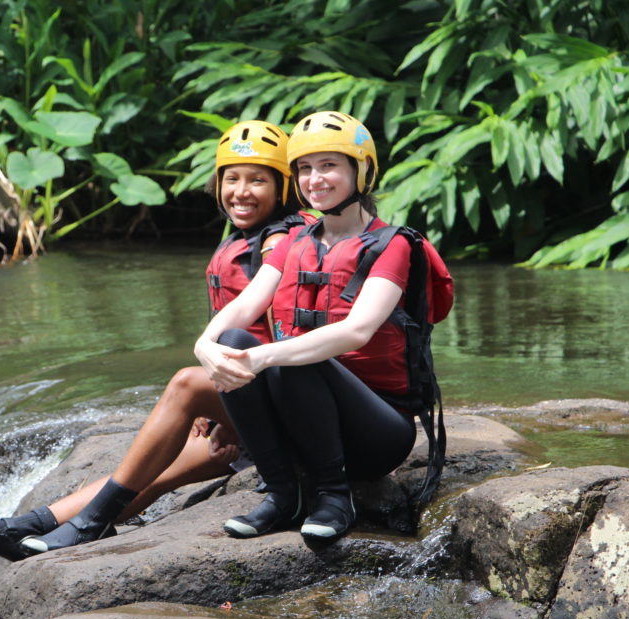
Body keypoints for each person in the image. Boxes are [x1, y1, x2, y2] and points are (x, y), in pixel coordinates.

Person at [0, 120, 313, 561]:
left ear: (283, 187)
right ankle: (31, 528)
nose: (242, 191)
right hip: (253, 402)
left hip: (289, 407)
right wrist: (217, 404)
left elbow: (280, 337)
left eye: (258, 180)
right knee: (152, 472)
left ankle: (76, 527)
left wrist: (218, 403)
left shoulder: (282, 241)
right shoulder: (244, 239)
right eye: (232, 179)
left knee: (183, 389)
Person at [193, 111, 453, 543]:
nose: (315, 179)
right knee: (233, 338)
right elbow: (243, 307)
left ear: (361, 171)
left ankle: (335, 495)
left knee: (291, 354)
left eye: (330, 166)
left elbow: (357, 331)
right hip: (302, 421)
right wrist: (205, 345)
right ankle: (283, 494)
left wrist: (261, 357)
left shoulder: (394, 246)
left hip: (378, 431)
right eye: (306, 168)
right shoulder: (296, 240)